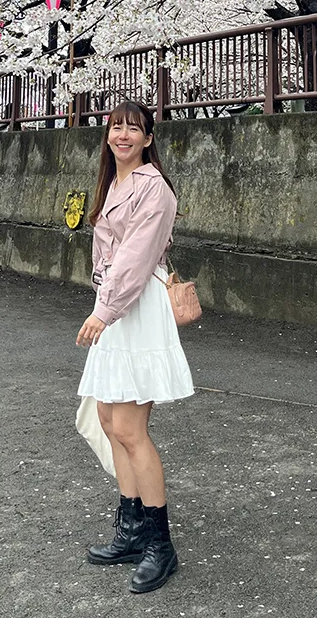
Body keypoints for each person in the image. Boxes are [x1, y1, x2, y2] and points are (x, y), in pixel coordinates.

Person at [76, 100, 194, 594]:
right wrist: (103, 303)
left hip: (135, 309)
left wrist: (104, 310)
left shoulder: (153, 187)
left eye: (133, 129)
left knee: (130, 428)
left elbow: (136, 258)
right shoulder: (115, 183)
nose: (122, 135)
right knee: (109, 420)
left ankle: (159, 544)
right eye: (116, 127)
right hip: (116, 305)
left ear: (148, 138)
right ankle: (131, 529)